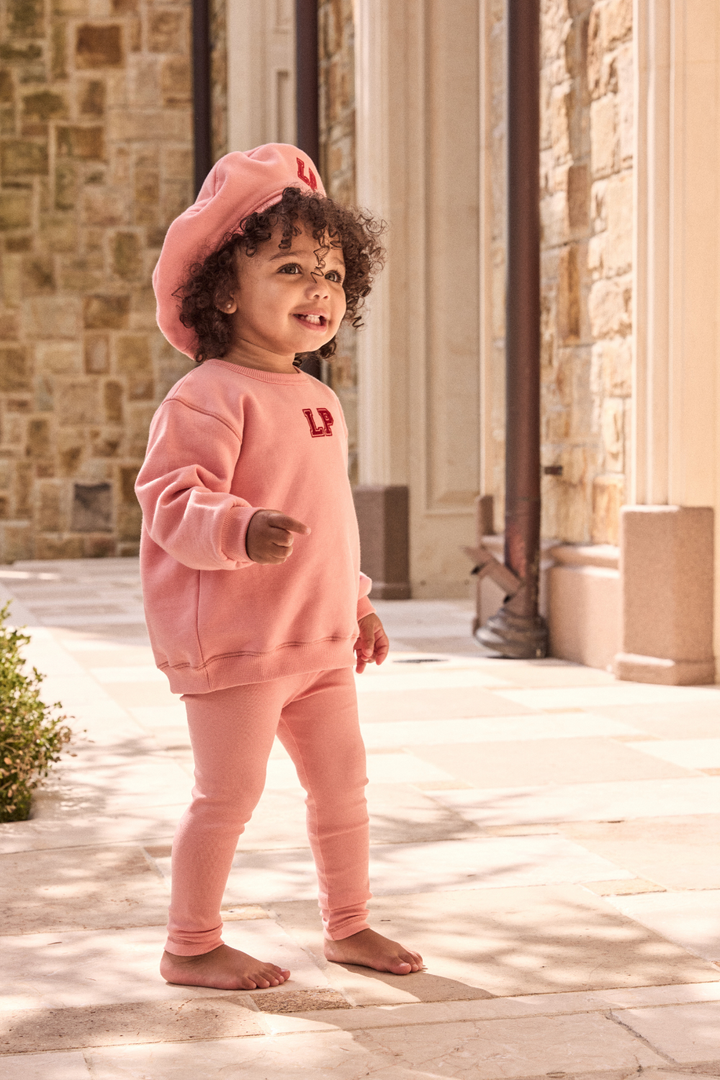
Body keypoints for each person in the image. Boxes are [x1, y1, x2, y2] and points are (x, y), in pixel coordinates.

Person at [135, 144, 423, 991]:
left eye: (332, 273)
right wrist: (240, 525)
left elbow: (331, 524)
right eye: (291, 268)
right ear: (225, 289)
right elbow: (169, 499)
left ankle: (350, 925)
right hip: (239, 642)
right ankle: (190, 943)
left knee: (344, 790)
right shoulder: (207, 396)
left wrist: (358, 602)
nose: (318, 289)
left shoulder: (320, 398)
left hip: (319, 640)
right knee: (227, 795)